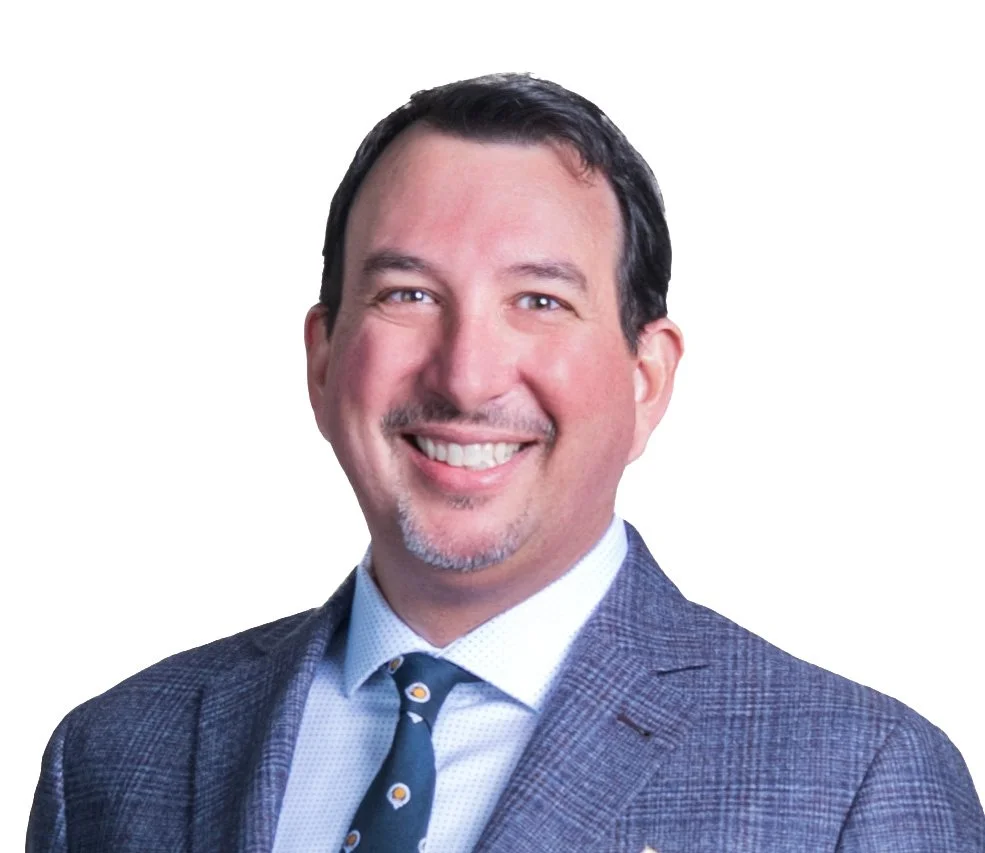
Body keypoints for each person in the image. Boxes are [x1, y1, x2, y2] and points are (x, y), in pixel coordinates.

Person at [27, 73, 984, 852]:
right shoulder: (113, 757)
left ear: (646, 377)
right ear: (322, 360)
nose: (466, 375)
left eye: (538, 301)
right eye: (407, 293)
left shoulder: (855, 782)